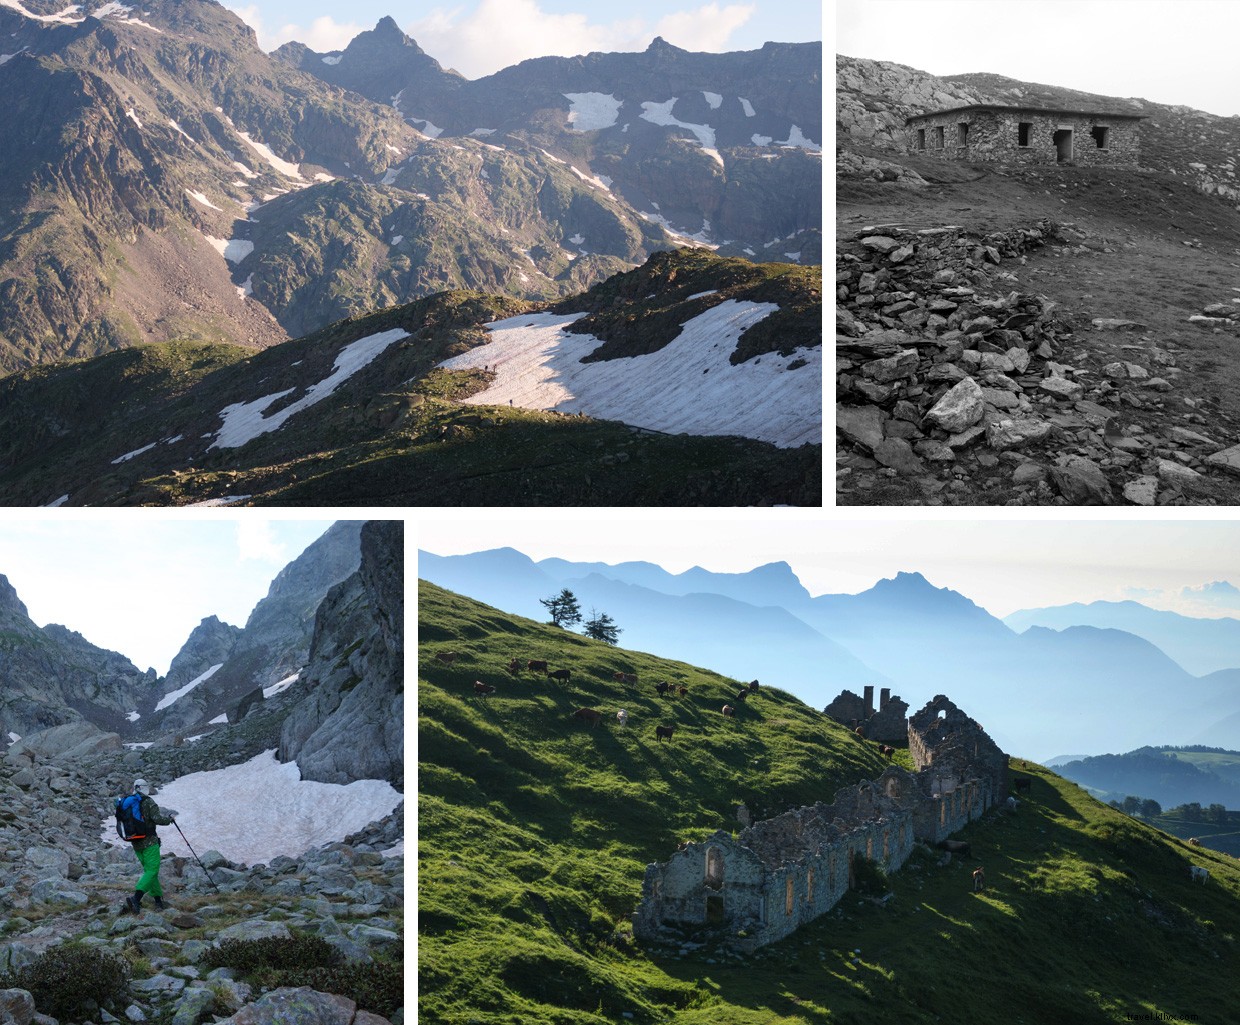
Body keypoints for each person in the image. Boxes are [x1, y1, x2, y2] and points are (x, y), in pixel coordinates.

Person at [120, 778, 177, 913]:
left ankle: (158, 901)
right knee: (152, 871)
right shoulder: (149, 802)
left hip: (135, 842)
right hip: (150, 842)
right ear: (145, 788)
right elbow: (157, 819)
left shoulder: (129, 802)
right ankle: (136, 898)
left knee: (151, 872)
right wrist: (169, 820)